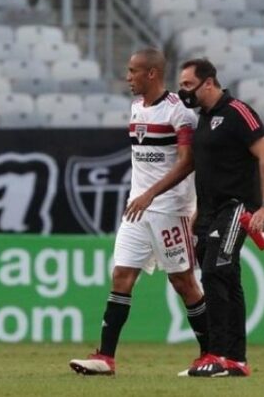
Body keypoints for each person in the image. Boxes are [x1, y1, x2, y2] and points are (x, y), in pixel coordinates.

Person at [69, 48, 208, 376]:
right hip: (138, 210)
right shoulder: (135, 108)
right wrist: (140, 197)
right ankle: (105, 358)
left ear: (152, 74)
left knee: (183, 281)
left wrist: (150, 195)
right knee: (121, 275)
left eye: (133, 71)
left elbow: (187, 162)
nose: (127, 77)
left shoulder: (179, 114)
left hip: (171, 209)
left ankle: (210, 353)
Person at [176, 58, 264, 378]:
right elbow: (212, 170)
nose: (183, 92)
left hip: (236, 208)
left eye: (188, 85)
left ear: (209, 83)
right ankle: (236, 359)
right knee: (226, 278)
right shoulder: (204, 118)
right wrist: (197, 211)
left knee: (215, 272)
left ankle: (218, 355)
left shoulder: (238, 112)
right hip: (208, 212)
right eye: (181, 86)